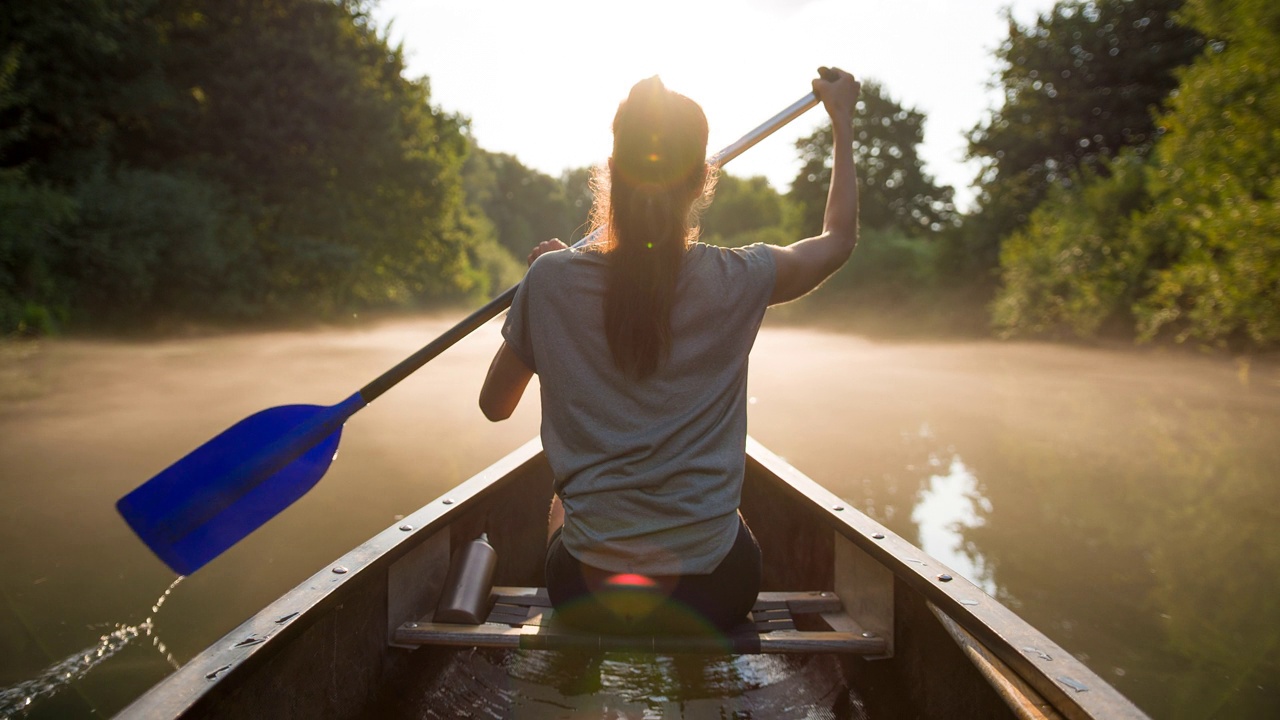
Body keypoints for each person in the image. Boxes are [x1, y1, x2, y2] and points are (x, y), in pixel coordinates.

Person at [479, 68, 861, 634]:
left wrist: (544, 286)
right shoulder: (744, 276)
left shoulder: (551, 280)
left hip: (587, 589)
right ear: (702, 182)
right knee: (726, 520)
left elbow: (495, 405)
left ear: (611, 172)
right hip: (715, 592)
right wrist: (843, 123)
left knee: (562, 504)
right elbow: (837, 241)